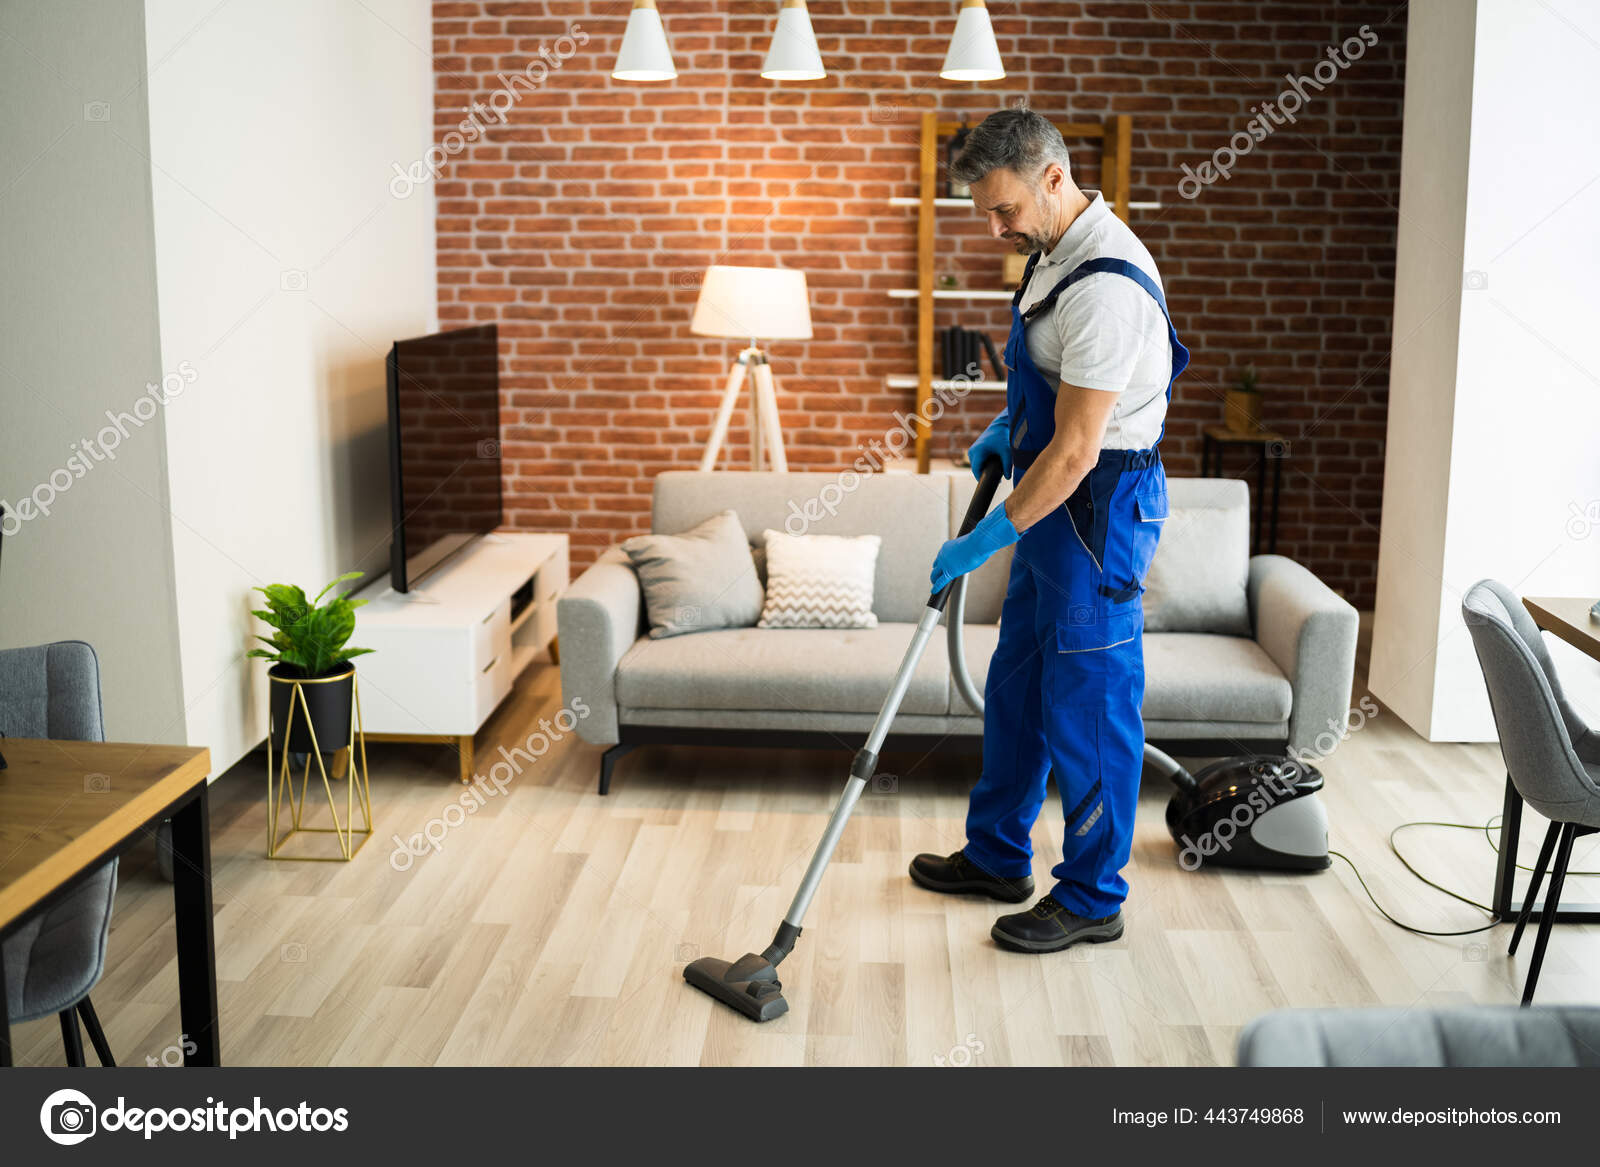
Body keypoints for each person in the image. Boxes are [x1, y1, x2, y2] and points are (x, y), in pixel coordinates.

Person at [911, 107, 1190, 953]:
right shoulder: (1052, 249)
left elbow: (1076, 451)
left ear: (1055, 178)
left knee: (1089, 703)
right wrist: (1010, 427)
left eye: (1004, 210)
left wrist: (983, 540)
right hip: (1051, 492)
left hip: (1097, 506)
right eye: (986, 212)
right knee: (1018, 684)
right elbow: (1053, 381)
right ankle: (999, 854)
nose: (996, 229)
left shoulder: (1107, 285)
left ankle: (1093, 897)